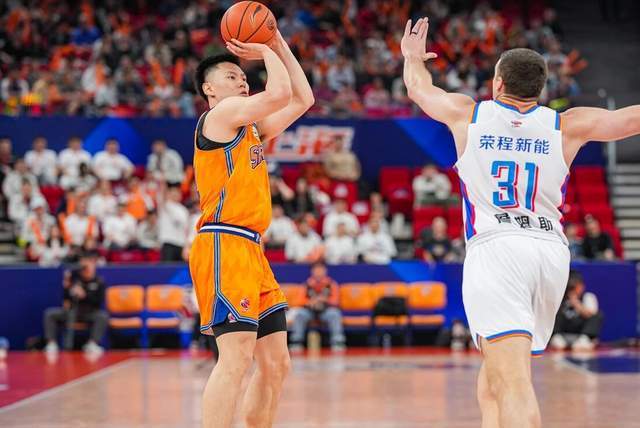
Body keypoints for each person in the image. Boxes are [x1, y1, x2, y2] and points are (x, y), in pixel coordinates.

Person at [402, 17, 640, 428]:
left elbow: (418, 88)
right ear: (541, 89)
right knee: (494, 376)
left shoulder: (468, 115)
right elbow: (631, 120)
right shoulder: (566, 124)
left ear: (497, 83)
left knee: (512, 381)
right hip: (549, 253)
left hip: (498, 249)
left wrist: (411, 58)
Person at [186, 28, 313, 428]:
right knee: (236, 357)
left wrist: (278, 44)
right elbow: (278, 93)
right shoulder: (219, 116)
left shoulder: (251, 128)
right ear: (209, 89)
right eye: (232, 76)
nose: (243, 81)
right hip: (223, 242)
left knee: (276, 363)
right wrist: (262, 48)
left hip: (252, 248)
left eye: (244, 76)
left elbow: (302, 99)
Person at [43, 251, 108, 354]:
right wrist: (67, 286)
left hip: (89, 313)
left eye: (90, 266)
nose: (87, 270)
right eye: (84, 268)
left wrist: (85, 295)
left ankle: (92, 344)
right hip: (71, 311)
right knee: (50, 314)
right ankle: (51, 344)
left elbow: (99, 301)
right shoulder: (75, 280)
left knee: (102, 316)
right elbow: (66, 298)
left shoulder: (99, 282)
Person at [290, 262, 346, 352]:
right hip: (310, 312)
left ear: (325, 271)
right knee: (299, 314)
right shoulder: (307, 285)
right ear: (312, 271)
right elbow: (299, 302)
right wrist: (310, 302)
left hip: (326, 311)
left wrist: (325, 300)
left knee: (335, 314)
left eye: (321, 270)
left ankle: (337, 341)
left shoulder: (331, 284)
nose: (318, 272)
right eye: (316, 270)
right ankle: (296, 341)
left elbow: (336, 302)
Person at [551, 270, 603, 351]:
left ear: (582, 286)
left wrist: (576, 303)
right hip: (563, 335)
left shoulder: (588, 297)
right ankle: (557, 339)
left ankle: (585, 340)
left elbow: (590, 315)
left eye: (575, 286)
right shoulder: (560, 298)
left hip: (581, 335)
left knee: (598, 315)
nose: (573, 290)